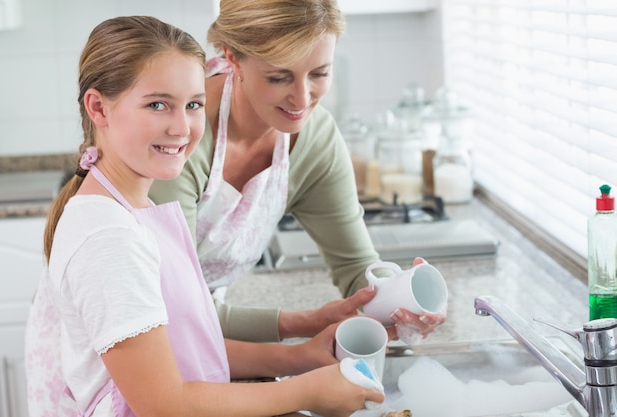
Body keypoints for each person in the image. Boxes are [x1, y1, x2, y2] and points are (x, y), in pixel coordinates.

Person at [24, 15, 384, 417]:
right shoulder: (110, 238)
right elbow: (164, 402)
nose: (182, 127)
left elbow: (183, 349)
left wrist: (299, 358)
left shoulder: (137, 210)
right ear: (98, 108)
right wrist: (304, 392)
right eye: (157, 104)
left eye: (194, 104)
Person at [149, 0, 446, 343]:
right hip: (135, 334)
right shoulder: (177, 136)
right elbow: (177, 303)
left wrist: (402, 303)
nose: (302, 99)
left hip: (209, 328)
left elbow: (356, 269)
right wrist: (308, 322)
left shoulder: (316, 140)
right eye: (279, 77)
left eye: (320, 73)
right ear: (232, 57)